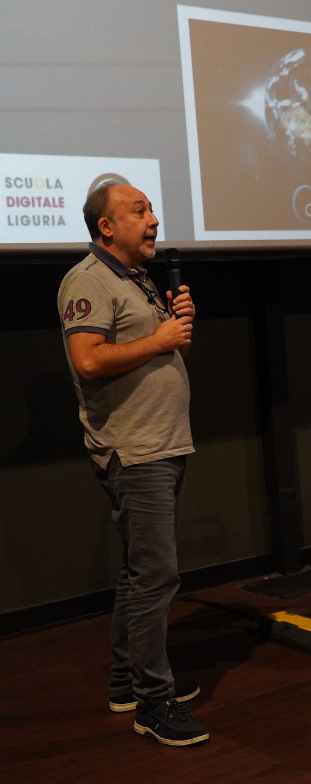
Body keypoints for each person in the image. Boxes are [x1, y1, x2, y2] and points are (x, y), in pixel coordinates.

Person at [58, 182, 208, 746]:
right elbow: (88, 359)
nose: (154, 219)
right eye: (139, 211)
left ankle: (127, 683)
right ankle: (153, 702)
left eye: (151, 210)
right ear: (106, 227)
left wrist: (178, 331)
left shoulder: (137, 278)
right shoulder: (87, 280)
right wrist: (161, 338)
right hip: (135, 449)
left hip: (163, 442)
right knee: (157, 577)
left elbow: (171, 352)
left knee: (138, 573)